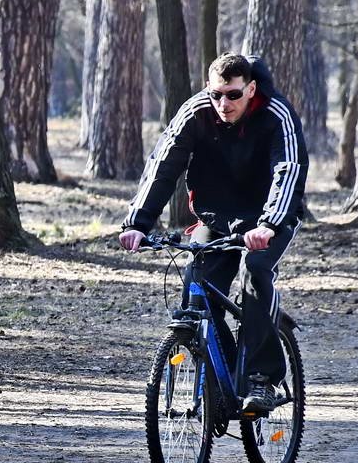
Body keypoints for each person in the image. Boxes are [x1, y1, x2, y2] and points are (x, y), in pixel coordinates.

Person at [119, 52, 307, 413]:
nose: (224, 104)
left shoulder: (276, 114)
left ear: (250, 89)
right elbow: (163, 165)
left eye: (233, 95)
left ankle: (261, 378)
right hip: (216, 217)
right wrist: (137, 224)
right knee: (198, 289)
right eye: (217, 94)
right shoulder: (196, 112)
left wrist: (268, 224)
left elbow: (288, 169)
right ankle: (224, 382)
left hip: (269, 218)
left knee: (255, 271)